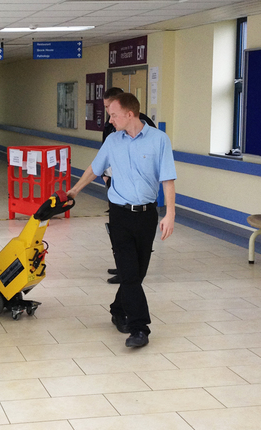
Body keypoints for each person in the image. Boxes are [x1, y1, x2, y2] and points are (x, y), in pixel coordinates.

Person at [67, 93, 176, 348]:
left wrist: (170, 213)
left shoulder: (159, 140)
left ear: (130, 114)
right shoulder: (113, 141)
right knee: (128, 271)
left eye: (114, 114)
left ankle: (118, 308)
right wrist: (75, 190)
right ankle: (140, 328)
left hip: (147, 215)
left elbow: (168, 179)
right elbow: (95, 168)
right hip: (119, 214)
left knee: (136, 273)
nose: (110, 119)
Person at [102, 88, 157, 284]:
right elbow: (104, 156)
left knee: (137, 250)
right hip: (117, 189)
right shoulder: (110, 127)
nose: (109, 115)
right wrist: (105, 176)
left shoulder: (149, 128)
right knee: (118, 235)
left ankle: (128, 272)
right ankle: (123, 266)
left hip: (141, 197)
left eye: (110, 108)